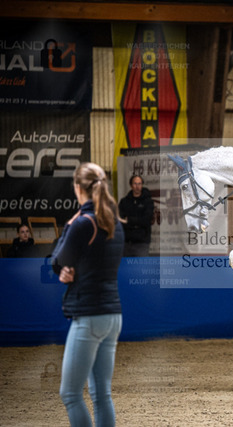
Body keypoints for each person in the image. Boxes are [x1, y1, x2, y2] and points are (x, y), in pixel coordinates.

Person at [51, 162, 124, 427]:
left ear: (78, 188)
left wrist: (70, 223)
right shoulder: (115, 223)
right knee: (101, 395)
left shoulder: (83, 223)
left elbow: (58, 261)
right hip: (112, 315)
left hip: (89, 315)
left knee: (70, 394)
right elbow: (92, 262)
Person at [118, 175, 154, 257]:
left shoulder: (148, 202)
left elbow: (146, 220)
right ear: (131, 185)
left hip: (142, 242)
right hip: (127, 242)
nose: (137, 186)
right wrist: (136, 222)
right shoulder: (124, 202)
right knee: (126, 265)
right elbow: (120, 219)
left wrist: (129, 220)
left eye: (139, 184)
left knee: (141, 264)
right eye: (135, 184)